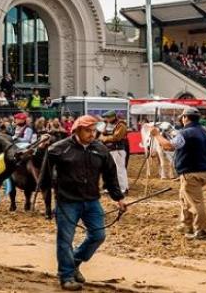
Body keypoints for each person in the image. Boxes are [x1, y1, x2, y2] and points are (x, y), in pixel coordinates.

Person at [42, 115, 128, 291]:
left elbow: (110, 176)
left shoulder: (100, 149)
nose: (92, 134)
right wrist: (48, 203)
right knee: (65, 240)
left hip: (91, 200)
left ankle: (73, 263)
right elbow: (45, 178)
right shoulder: (58, 149)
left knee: (98, 236)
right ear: (76, 130)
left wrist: (118, 198)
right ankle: (66, 276)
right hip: (67, 201)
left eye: (94, 130)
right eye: (88, 130)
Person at [150, 108, 206, 240]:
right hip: (205, 170)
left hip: (191, 172)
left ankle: (201, 230)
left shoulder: (185, 133)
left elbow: (168, 146)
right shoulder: (205, 131)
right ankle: (186, 224)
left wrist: (156, 135)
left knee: (195, 203)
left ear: (185, 117)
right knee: (184, 198)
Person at [98, 110, 129, 195]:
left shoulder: (121, 125)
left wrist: (103, 138)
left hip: (118, 149)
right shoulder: (108, 124)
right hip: (109, 149)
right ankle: (109, 188)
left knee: (119, 169)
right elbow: (103, 133)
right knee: (109, 170)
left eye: (108, 117)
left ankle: (123, 188)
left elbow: (117, 137)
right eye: (106, 118)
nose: (106, 119)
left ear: (113, 117)